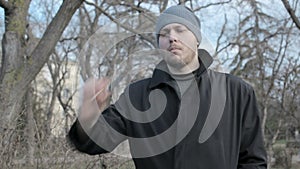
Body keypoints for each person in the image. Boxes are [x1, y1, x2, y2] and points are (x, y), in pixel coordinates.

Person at [68, 5, 268, 169]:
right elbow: (93, 142)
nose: (172, 37)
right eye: (164, 33)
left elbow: (253, 161)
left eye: (180, 30)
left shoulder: (236, 91)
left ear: (196, 38)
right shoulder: (137, 96)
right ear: (159, 45)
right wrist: (88, 117)